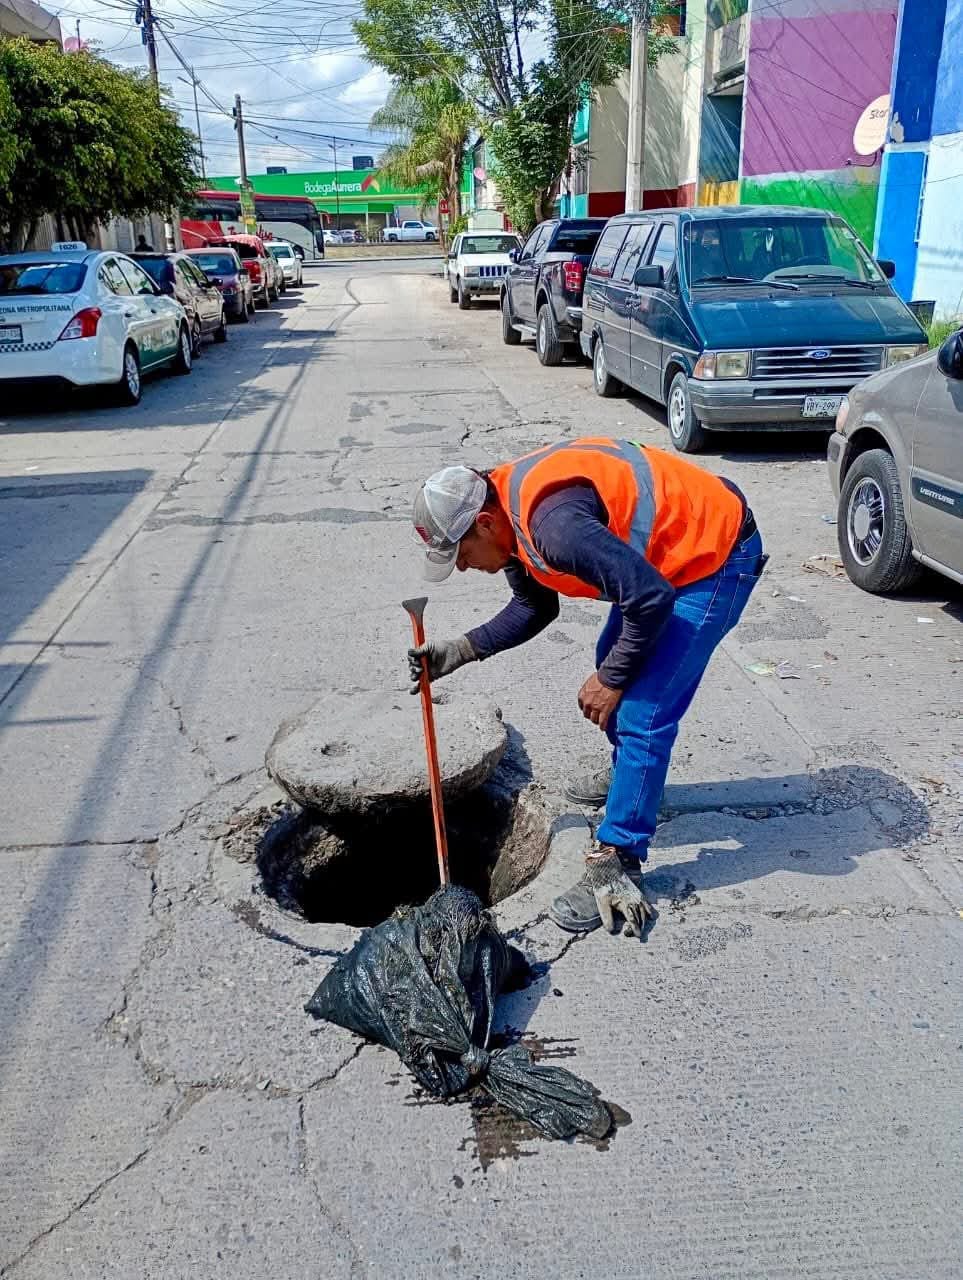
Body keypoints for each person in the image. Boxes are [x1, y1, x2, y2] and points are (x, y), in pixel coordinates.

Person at [409, 437, 766, 940]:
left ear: (484, 524)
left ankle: (619, 860)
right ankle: (632, 781)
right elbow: (537, 606)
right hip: (660, 564)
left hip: (713, 558)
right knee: (612, 664)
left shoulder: (555, 528)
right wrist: (459, 651)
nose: (463, 567)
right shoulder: (506, 512)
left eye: (461, 554)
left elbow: (650, 600)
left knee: (642, 709)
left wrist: (613, 680)